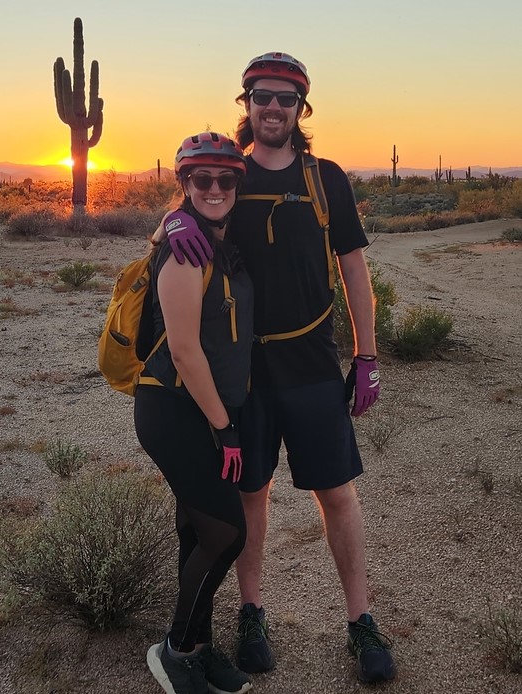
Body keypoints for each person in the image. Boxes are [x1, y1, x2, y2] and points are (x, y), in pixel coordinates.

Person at [161, 54, 396, 684]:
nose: (273, 107)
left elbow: (352, 268)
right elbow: (195, 205)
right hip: (244, 372)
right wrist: (172, 219)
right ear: (247, 103)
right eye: (262, 96)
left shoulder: (326, 179)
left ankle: (360, 619)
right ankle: (251, 614)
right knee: (251, 495)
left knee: (337, 495)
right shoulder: (230, 175)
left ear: (300, 110)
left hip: (313, 362)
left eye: (286, 99)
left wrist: (366, 356)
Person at [134, 132, 254, 694]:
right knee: (228, 532)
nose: (213, 188)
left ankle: (201, 649)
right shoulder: (184, 253)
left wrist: (167, 220)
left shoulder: (218, 240)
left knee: (198, 528)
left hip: (200, 409)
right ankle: (175, 649)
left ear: (237, 185)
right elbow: (184, 350)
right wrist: (225, 430)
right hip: (175, 409)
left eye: (225, 179)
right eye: (200, 179)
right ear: (183, 183)